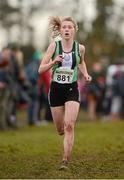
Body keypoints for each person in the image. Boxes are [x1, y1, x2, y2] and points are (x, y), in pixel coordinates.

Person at [38, 16, 92, 170]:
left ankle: (65, 161)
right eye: (64, 27)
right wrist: (54, 62)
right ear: (60, 30)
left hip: (71, 89)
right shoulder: (54, 46)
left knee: (70, 126)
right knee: (61, 129)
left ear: (74, 30)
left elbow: (81, 62)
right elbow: (40, 69)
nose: (67, 29)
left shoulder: (80, 48)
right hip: (55, 90)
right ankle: (61, 134)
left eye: (70, 27)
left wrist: (86, 74)